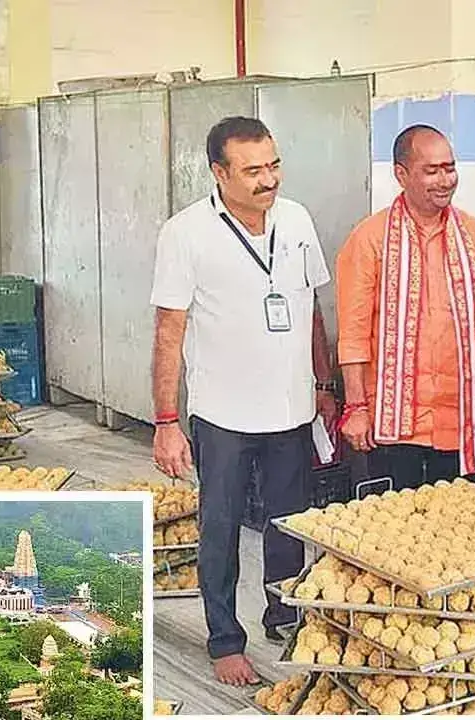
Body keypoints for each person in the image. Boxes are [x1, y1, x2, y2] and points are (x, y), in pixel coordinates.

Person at [149, 116, 335, 687]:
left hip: (291, 408)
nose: (268, 179)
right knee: (221, 526)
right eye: (253, 170)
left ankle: (283, 611)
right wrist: (165, 420)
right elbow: (169, 331)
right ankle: (225, 639)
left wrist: (324, 389)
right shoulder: (185, 234)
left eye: (273, 165)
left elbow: (311, 312)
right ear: (219, 172)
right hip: (223, 413)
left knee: (289, 523)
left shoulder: (297, 219)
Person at [335, 125, 475, 487]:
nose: (444, 180)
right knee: (395, 532)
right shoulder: (370, 238)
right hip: (391, 424)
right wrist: (356, 408)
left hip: (457, 420)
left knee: (453, 527)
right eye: (431, 170)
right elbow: (353, 334)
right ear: (401, 174)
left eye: (449, 168)